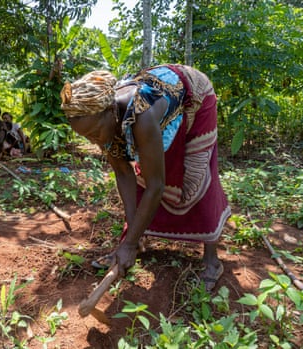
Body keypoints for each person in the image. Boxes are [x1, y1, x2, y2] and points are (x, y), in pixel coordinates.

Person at [60, 64, 231, 291]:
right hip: (161, 107)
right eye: (86, 137)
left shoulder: (142, 114)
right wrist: (131, 238)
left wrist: (128, 244)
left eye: (94, 133)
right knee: (145, 174)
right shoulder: (105, 121)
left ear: (111, 113)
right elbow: (123, 172)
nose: (94, 142)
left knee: (195, 177)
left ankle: (212, 260)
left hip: (195, 97)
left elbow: (156, 186)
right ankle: (137, 241)